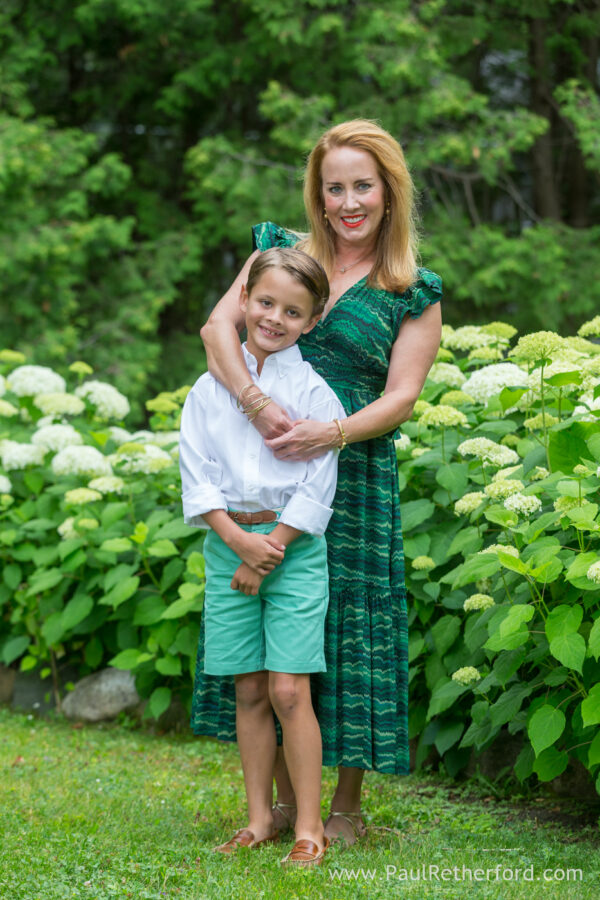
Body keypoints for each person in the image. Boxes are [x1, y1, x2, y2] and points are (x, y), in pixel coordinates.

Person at [191, 119, 442, 845]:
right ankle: (270, 808)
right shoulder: (283, 256)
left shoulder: (410, 289)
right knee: (270, 634)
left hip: (355, 475)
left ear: (389, 192)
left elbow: (402, 396)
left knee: (350, 627)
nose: (349, 200)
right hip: (262, 469)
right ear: (319, 195)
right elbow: (217, 331)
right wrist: (260, 407)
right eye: (335, 187)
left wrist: (329, 431)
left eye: (363, 185)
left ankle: (345, 809)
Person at [180, 246, 345, 866]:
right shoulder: (208, 388)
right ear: (243, 300)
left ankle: (309, 826)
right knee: (248, 688)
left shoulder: (313, 392)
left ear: (311, 320)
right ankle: (259, 818)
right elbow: (196, 475)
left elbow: (317, 485)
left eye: (293, 311)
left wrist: (268, 548)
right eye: (266, 302)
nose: (275, 318)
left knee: (288, 690)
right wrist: (237, 542)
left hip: (292, 551)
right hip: (228, 547)